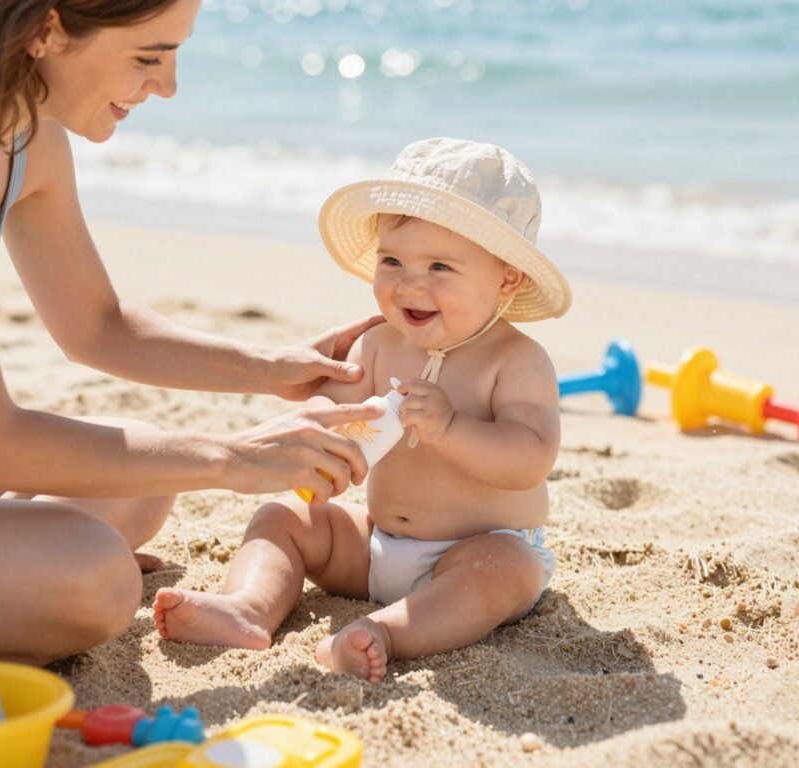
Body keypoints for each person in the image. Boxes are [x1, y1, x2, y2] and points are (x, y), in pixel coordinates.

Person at [0, 0, 387, 666]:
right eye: (148, 56)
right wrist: (232, 458)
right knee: (97, 572)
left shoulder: (26, 138)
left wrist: (271, 366)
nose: (169, 86)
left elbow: (99, 325)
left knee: (144, 479)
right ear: (45, 28)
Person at [152, 137, 574, 682]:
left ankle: (386, 633)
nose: (409, 283)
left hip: (472, 550)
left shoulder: (516, 360)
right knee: (283, 518)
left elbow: (530, 459)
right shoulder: (378, 345)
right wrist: (327, 435)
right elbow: (334, 415)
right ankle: (248, 607)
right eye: (392, 260)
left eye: (440, 266)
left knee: (505, 572)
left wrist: (450, 428)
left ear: (507, 279)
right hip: (374, 543)